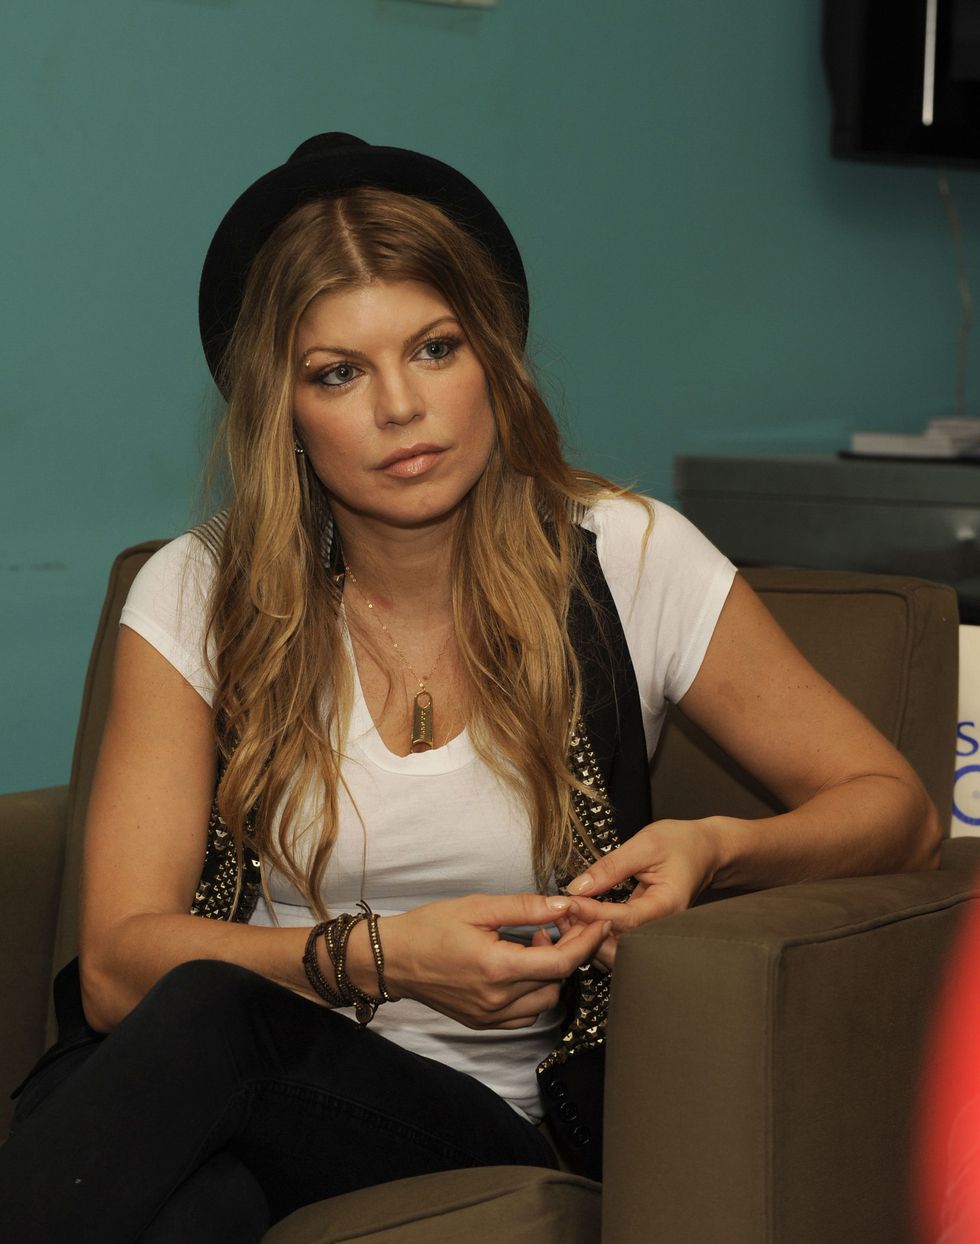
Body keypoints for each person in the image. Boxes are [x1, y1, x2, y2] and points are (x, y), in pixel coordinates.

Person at [0, 132, 941, 1243]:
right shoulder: (202, 588)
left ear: (491, 355)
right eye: (338, 372)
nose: (401, 406)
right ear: (281, 410)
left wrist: (714, 848)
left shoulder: (629, 557)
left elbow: (898, 808)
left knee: (213, 1020)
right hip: (215, 1091)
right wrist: (381, 957)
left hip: (472, 1114)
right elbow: (115, 972)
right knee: (192, 1204)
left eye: (434, 348)